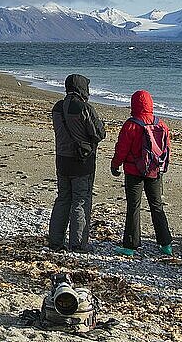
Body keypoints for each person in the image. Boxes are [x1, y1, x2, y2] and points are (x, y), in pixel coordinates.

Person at [111, 90, 173, 256]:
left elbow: (121, 149)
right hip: (154, 170)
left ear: (134, 104)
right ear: (150, 104)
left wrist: (115, 165)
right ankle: (165, 244)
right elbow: (166, 148)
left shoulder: (130, 125)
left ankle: (130, 246)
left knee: (134, 207)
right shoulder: (161, 124)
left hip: (134, 171)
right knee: (157, 205)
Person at [49, 74, 106, 253]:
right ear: (83, 88)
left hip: (62, 160)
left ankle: (55, 241)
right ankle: (78, 244)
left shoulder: (57, 108)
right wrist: (101, 125)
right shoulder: (84, 107)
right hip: (82, 162)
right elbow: (98, 133)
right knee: (80, 201)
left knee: (63, 199)